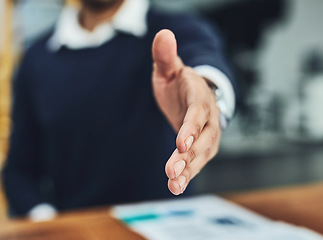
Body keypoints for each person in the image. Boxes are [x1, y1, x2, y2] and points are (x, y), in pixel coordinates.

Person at [2, 0, 236, 221]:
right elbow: (19, 171)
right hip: (79, 229)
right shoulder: (37, 60)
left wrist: (208, 93)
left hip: (165, 226)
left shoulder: (177, 30)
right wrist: (49, 221)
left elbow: (205, 61)